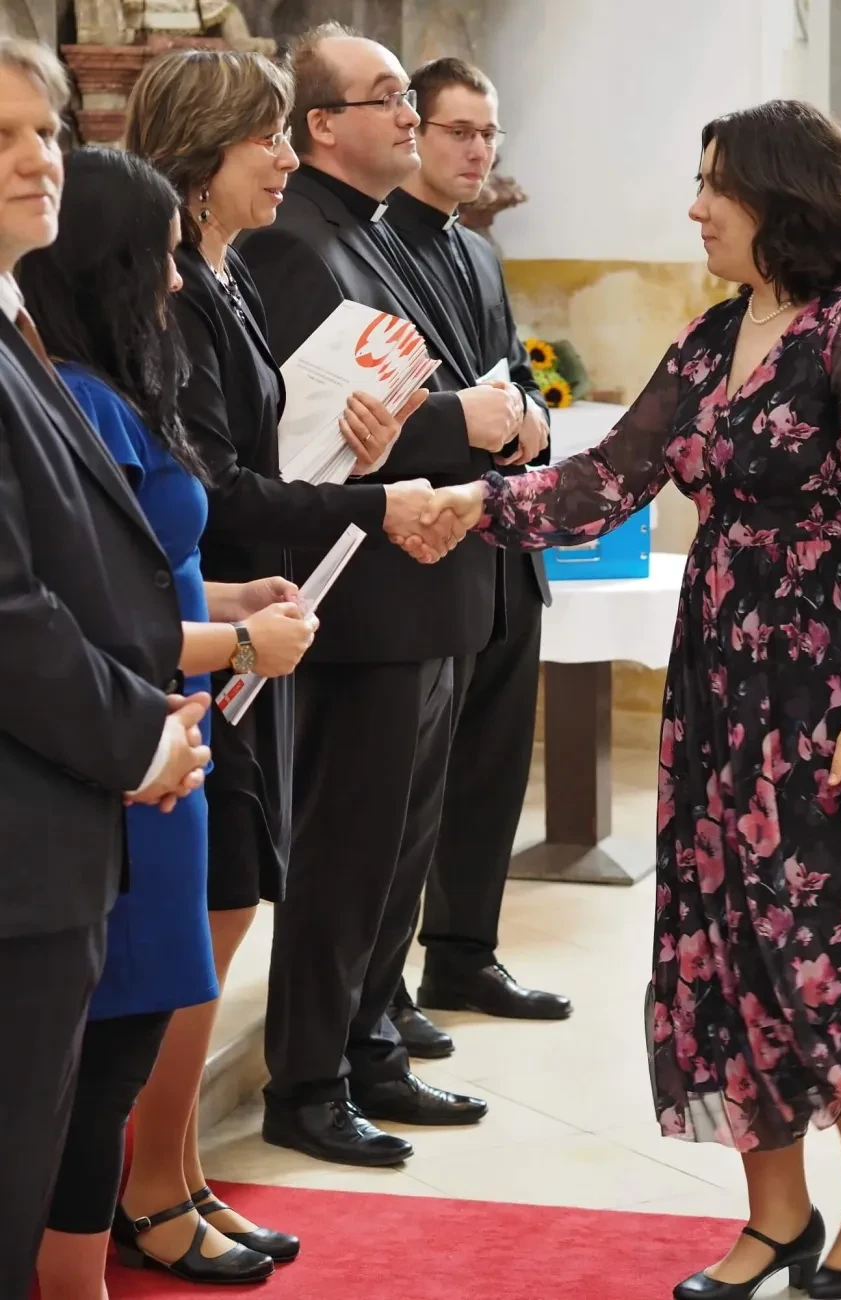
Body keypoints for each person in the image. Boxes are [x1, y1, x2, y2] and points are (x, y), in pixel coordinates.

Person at [414, 100, 841, 1300]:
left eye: (716, 184)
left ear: (782, 195)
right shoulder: (716, 335)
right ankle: (776, 1216)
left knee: (830, 947)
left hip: (836, 702)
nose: (695, 206)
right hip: (724, 693)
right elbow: (609, 477)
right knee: (726, 945)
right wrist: (471, 508)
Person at [122, 48, 435, 1271]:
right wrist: (373, 503)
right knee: (210, 903)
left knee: (236, 889)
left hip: (255, 612)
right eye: (269, 136)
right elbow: (212, 485)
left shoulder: (230, 272)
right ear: (206, 152)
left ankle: (180, 1172)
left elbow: (259, 453)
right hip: (205, 621)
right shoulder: (173, 290)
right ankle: (151, 1184)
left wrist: (356, 453)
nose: (289, 158)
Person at [19, 145, 322, 1295]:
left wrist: (230, 601)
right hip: (127, 740)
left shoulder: (102, 383)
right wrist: (240, 645)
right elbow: (93, 615)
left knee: (137, 1024)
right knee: (112, 1042)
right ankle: (88, 1260)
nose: (180, 279)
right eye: (160, 255)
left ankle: (156, 1197)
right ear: (109, 263)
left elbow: (150, 572)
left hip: (166, 733)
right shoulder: (82, 399)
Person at [236, 23, 528, 1166]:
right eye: (389, 97)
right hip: (363, 588)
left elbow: (426, 387)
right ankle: (308, 1081)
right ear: (321, 126)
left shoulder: (378, 227)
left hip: (435, 576)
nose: (410, 114)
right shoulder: (295, 240)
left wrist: (487, 417)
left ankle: (370, 1046)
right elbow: (312, 431)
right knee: (348, 850)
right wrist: (466, 421)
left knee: (402, 844)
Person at [0, 38, 209, 1300]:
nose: (40, 158)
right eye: (3, 136)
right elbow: (9, 611)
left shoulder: (17, 332)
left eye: (47, 130)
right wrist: (142, 729)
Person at [384, 57, 571, 1058]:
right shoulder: (376, 244)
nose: (477, 150)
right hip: (428, 537)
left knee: (496, 758)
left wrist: (532, 419)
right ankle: (381, 984)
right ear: (411, 129)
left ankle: (464, 951)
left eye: (489, 134)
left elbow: (508, 373)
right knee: (412, 781)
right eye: (458, 130)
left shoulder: (479, 252)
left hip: (503, 537)